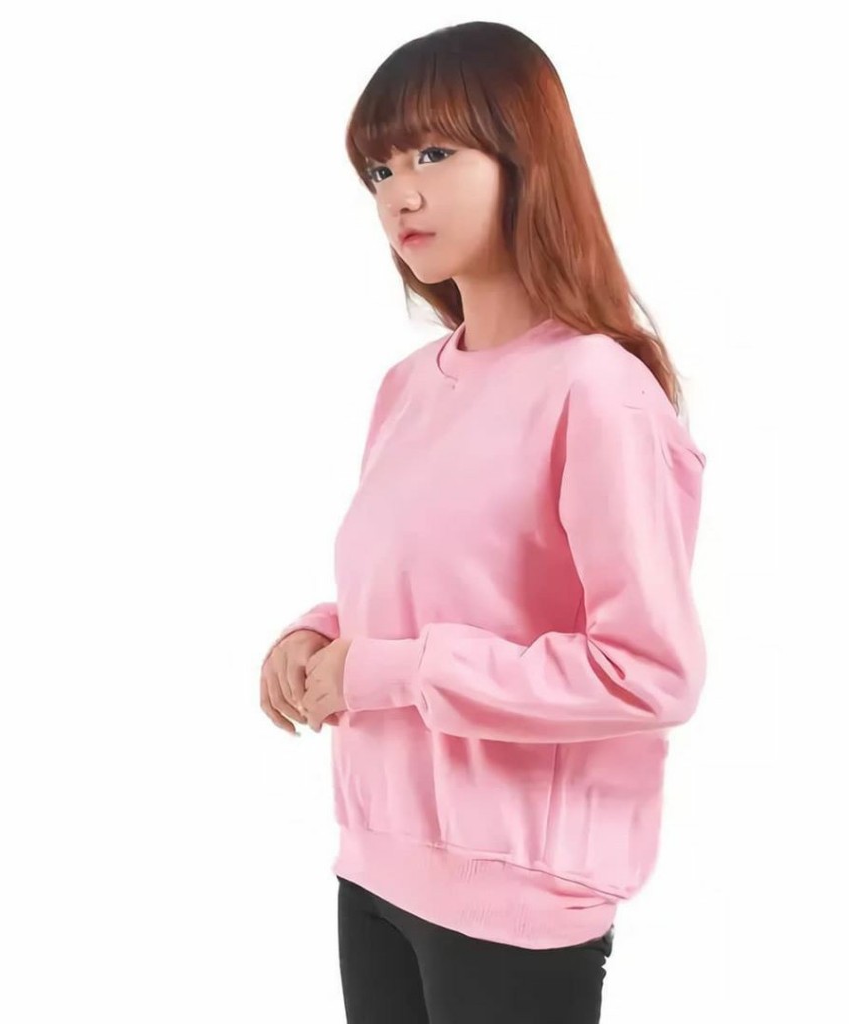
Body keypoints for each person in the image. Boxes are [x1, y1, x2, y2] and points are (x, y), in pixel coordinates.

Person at [258, 20, 708, 1024]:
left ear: (524, 157)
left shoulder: (596, 387)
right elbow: (431, 582)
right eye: (379, 169)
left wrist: (387, 671)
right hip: (375, 866)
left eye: (433, 153)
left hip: (516, 892)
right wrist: (319, 634)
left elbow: (648, 670)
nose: (399, 195)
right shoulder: (407, 386)